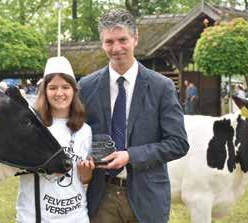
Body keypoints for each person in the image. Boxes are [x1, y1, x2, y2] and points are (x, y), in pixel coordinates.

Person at [78, 9, 189, 223]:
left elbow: (178, 143)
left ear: (135, 39)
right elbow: (76, 133)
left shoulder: (162, 87)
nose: (116, 48)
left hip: (148, 196)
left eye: (123, 40)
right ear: (102, 43)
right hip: (102, 197)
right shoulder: (86, 86)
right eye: (109, 42)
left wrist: (130, 155)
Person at [16, 56, 94, 223]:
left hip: (76, 217)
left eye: (65, 87)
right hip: (35, 217)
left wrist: (87, 174)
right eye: (53, 88)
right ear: (45, 91)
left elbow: (84, 180)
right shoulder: (32, 127)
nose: (59, 93)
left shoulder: (85, 131)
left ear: (74, 90)